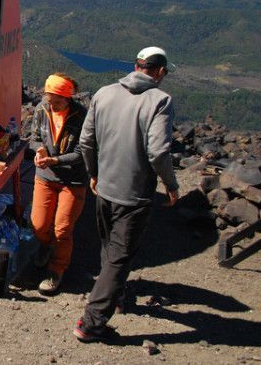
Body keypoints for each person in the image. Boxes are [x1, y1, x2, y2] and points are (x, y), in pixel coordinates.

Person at [73, 46, 180, 343]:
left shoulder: (104, 93)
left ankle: (115, 296)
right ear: (158, 71)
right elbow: (158, 151)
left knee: (110, 249)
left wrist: (94, 173)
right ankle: (91, 324)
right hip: (133, 195)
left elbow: (86, 140)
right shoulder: (160, 100)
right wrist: (171, 185)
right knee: (120, 257)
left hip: (104, 188)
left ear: (136, 66)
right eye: (165, 72)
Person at [29, 73, 87, 295]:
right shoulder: (42, 108)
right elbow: (34, 137)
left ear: (68, 98)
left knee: (62, 229)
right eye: (50, 100)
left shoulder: (81, 116)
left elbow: (82, 152)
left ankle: (56, 270)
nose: (52, 106)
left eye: (58, 102)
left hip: (72, 179)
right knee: (39, 225)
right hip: (45, 175)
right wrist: (40, 149)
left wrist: (55, 160)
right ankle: (46, 245)